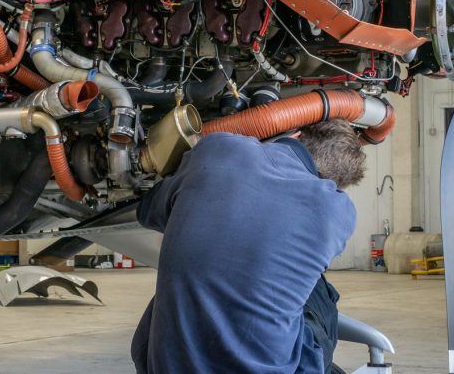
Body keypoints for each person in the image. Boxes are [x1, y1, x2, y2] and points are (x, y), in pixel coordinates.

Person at [131, 119, 366, 374]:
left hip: (163, 366)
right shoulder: (339, 211)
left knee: (206, 269)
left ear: (295, 134)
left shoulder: (218, 147)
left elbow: (146, 211)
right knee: (317, 286)